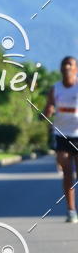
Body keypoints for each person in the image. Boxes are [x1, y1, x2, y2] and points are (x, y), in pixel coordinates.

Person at [44, 55, 78, 223]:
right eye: (64, 65)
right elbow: (47, 108)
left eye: (70, 65)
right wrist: (48, 110)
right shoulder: (55, 89)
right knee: (66, 171)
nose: (67, 68)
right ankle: (71, 210)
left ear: (76, 70)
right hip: (61, 134)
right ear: (60, 69)